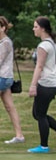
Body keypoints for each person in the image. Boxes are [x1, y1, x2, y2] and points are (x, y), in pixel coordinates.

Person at [27, 17, 56, 154]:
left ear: (43, 28)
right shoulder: (52, 43)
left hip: (46, 84)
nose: (33, 29)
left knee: (40, 114)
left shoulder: (44, 46)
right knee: (37, 113)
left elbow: (39, 67)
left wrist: (33, 86)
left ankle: (44, 146)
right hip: (52, 83)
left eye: (35, 27)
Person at [0, 16, 25, 144]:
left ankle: (19, 135)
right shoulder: (3, 42)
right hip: (6, 78)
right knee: (10, 107)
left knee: (10, 107)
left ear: (3, 28)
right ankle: (19, 135)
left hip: (2, 78)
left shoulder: (5, 43)